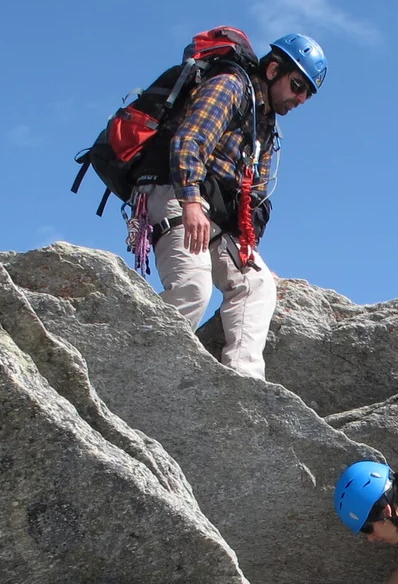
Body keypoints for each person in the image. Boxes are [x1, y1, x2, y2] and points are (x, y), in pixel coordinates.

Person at [136, 32, 326, 380]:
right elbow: (189, 141)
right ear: (273, 70)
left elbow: (254, 197)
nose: (300, 98)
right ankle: (142, 370)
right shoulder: (230, 86)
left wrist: (249, 252)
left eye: (308, 93)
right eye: (297, 85)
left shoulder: (265, 125)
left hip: (214, 214)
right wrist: (191, 202)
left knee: (257, 284)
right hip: (175, 191)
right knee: (193, 287)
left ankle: (244, 383)